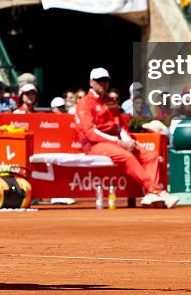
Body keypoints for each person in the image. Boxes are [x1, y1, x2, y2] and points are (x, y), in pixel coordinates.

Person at [73, 67, 178, 208]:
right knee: (127, 156)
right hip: (94, 145)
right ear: (91, 82)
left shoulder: (111, 101)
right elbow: (90, 132)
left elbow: (119, 126)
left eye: (106, 81)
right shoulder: (85, 103)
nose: (103, 84)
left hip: (115, 142)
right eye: (99, 81)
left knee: (151, 155)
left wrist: (127, 140)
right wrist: (118, 141)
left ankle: (149, 195)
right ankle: (156, 191)